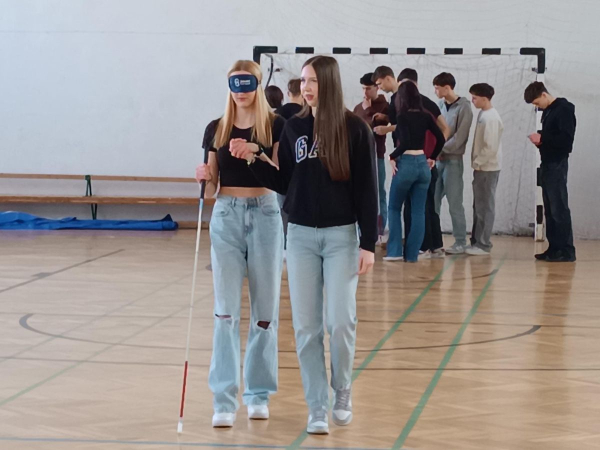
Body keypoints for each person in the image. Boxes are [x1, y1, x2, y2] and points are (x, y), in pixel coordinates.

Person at [230, 56, 377, 435]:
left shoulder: (355, 129)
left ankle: (342, 387)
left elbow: (367, 188)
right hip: (299, 238)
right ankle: (317, 406)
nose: (306, 88)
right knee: (307, 328)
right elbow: (284, 183)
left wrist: (368, 243)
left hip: (342, 237)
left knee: (340, 321)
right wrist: (255, 158)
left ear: (329, 83)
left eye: (313, 81)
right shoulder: (295, 127)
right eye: (304, 81)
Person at [195, 60, 286, 428]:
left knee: (265, 311)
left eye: (247, 83)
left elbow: (281, 178)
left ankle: (258, 393)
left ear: (258, 85)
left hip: (265, 212)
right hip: (227, 215)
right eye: (235, 83)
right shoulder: (216, 128)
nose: (241, 90)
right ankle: (224, 398)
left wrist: (254, 153)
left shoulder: (276, 126)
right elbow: (211, 185)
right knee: (225, 312)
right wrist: (204, 175)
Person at [384, 81, 446, 262]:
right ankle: (412, 255)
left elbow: (405, 143)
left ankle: (395, 252)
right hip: (423, 164)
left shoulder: (402, 117)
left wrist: (392, 156)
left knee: (394, 207)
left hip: (407, 164)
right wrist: (432, 157)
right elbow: (441, 138)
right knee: (419, 211)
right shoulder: (426, 116)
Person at [398, 68, 449, 258]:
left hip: (414, 160)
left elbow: (404, 136)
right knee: (429, 205)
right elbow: (445, 130)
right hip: (427, 162)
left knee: (414, 207)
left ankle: (421, 246)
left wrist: (393, 155)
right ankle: (436, 245)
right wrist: (434, 155)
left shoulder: (406, 109)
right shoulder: (429, 105)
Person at [525, 81, 577, 262]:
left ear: (544, 95)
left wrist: (543, 138)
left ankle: (566, 250)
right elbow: (551, 138)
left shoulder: (564, 109)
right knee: (549, 208)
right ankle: (554, 248)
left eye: (537, 102)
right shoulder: (548, 111)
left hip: (557, 164)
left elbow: (566, 142)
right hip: (547, 163)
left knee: (559, 208)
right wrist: (540, 142)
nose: (537, 106)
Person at [433, 72, 473, 254]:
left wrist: (439, 150)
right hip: (437, 161)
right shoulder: (439, 105)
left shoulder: (464, 107)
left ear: (447, 87)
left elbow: (460, 137)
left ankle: (460, 241)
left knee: (455, 203)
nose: (435, 91)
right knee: (432, 202)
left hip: (453, 161)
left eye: (437, 88)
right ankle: (433, 241)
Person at [467, 83, 503, 256]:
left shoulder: (491, 118)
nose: (472, 101)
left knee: (485, 206)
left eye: (474, 98)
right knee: (479, 205)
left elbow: (491, 147)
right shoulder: (483, 114)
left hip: (487, 168)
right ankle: (476, 241)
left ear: (484, 98)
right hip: (482, 167)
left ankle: (483, 244)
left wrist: (478, 162)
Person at [353, 72, 390, 238]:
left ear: (377, 88)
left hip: (376, 156)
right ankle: (362, 230)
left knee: (378, 192)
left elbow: (374, 130)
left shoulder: (384, 107)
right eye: (363, 89)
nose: (365, 92)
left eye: (368, 88)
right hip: (358, 157)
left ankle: (379, 230)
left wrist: (369, 111)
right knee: (360, 193)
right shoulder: (358, 108)